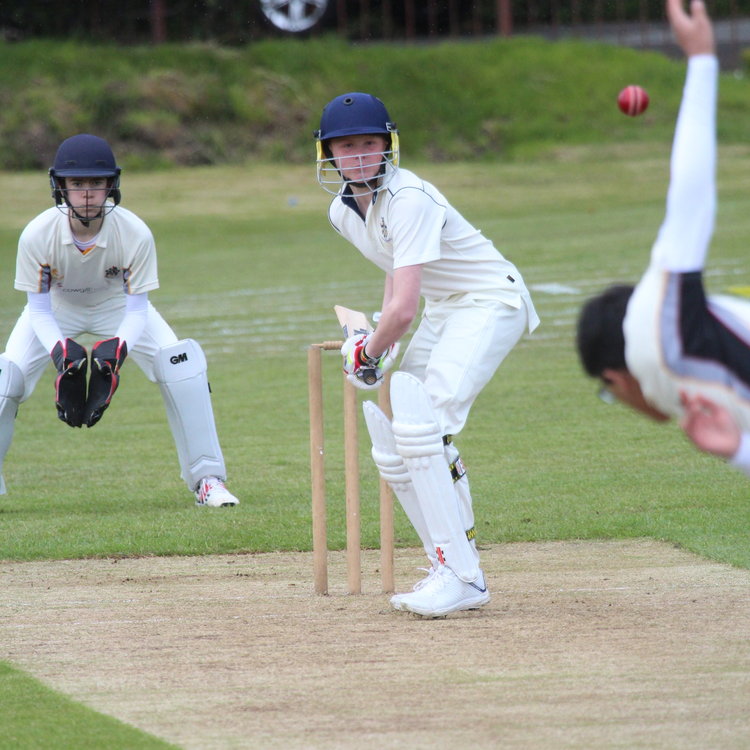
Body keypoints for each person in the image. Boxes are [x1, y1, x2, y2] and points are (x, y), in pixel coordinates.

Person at [314, 94, 540, 617]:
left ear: (387, 145)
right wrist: (374, 350)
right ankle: (451, 561)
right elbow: (396, 282)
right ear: (329, 154)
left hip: (488, 299)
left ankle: (464, 576)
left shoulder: (408, 197)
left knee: (424, 424)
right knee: (393, 433)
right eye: (348, 147)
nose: (361, 156)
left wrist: (365, 354)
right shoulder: (341, 213)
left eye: (370, 144)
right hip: (446, 307)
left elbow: (404, 310)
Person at [0, 133, 240, 507]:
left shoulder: (134, 232)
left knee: (182, 365)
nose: (87, 193)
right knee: (4, 378)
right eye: (77, 184)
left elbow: (138, 309)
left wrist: (116, 351)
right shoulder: (37, 234)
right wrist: (60, 351)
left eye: (96, 183)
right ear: (60, 186)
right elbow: (39, 309)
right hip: (56, 309)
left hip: (119, 307)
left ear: (111, 185)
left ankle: (208, 481)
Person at [577, 0, 750, 477]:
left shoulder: (656, 337)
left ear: (615, 378)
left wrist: (701, 60)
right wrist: (738, 451)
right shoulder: (687, 397)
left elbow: (691, 193)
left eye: (610, 394)